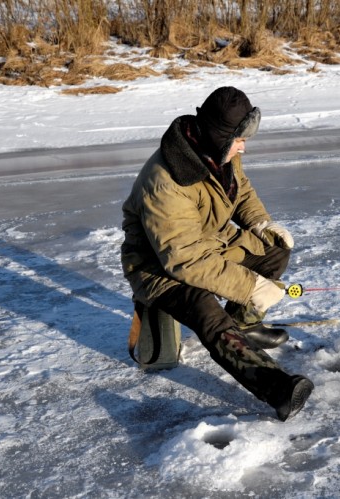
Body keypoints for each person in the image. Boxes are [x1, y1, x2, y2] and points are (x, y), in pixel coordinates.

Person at [120, 86, 314, 421]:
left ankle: (242, 325)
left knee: (274, 253)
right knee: (206, 311)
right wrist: (250, 287)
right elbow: (186, 260)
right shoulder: (165, 182)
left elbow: (241, 192)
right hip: (160, 267)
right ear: (218, 136)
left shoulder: (221, 152)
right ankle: (278, 390)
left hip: (211, 243)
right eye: (239, 139)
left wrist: (259, 224)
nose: (244, 146)